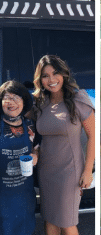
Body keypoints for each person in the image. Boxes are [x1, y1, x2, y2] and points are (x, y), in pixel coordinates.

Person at [31, 55, 95, 235]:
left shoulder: (78, 99)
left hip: (69, 172)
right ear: (40, 79)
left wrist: (88, 171)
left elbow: (93, 136)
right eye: (45, 75)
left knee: (67, 222)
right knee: (50, 219)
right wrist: (35, 150)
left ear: (64, 74)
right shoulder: (41, 104)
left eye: (55, 73)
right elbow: (39, 137)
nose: (51, 80)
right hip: (46, 171)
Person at [0, 81, 39, 235]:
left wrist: (36, 157)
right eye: (7, 98)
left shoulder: (30, 125)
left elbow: (37, 148)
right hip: (3, 196)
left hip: (24, 194)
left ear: (24, 101)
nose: (12, 102)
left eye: (17, 98)